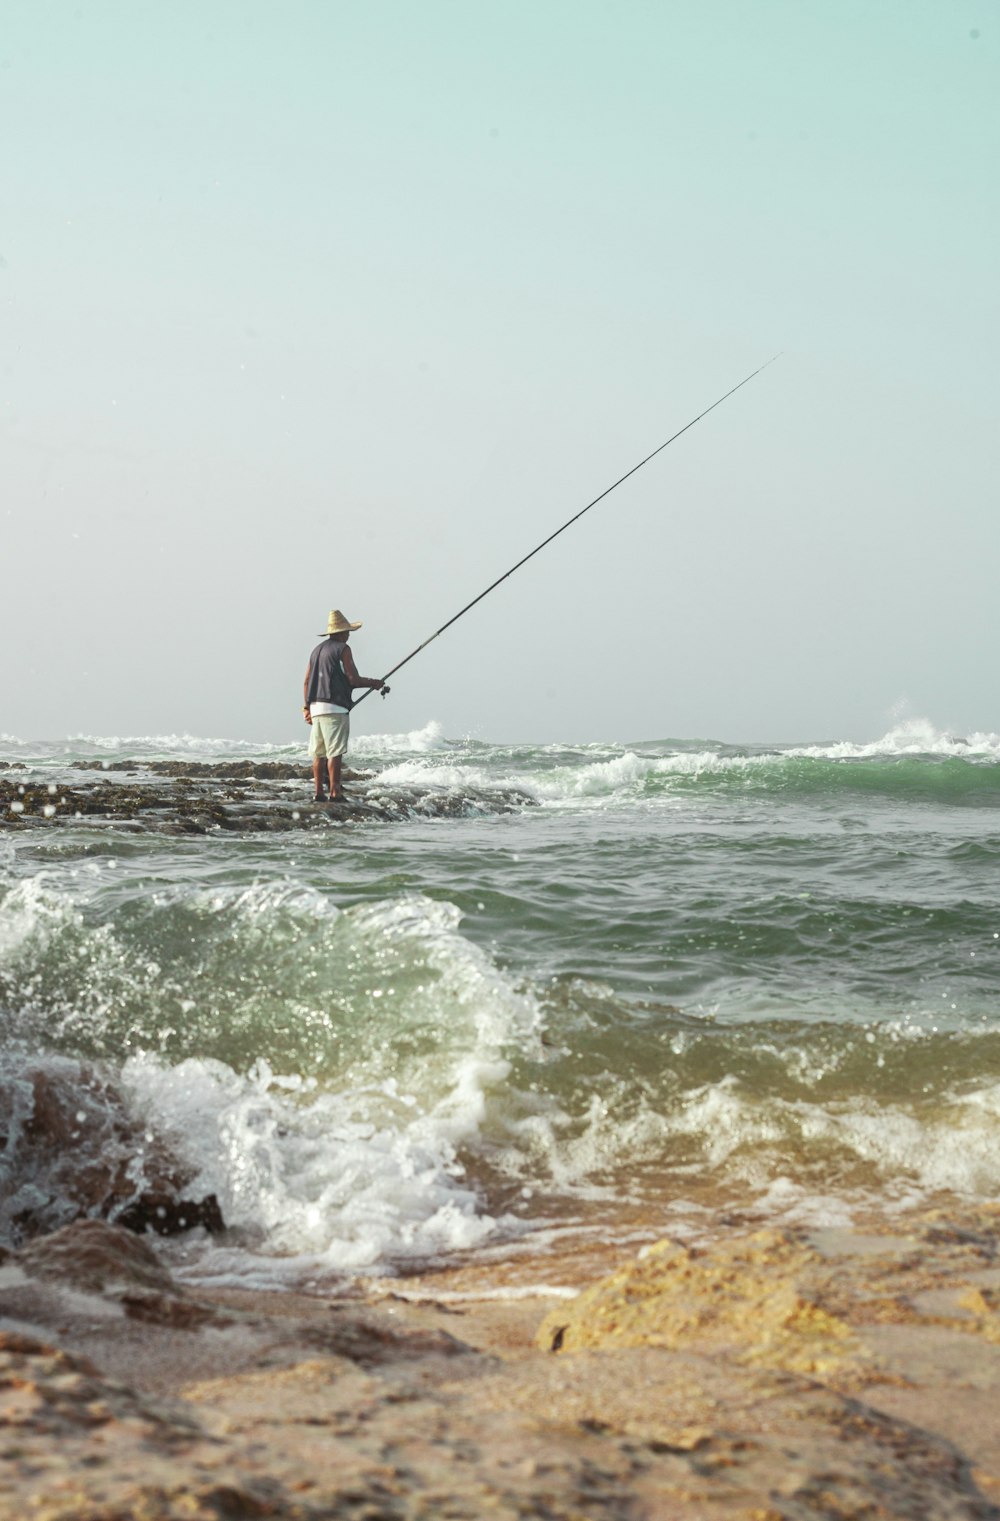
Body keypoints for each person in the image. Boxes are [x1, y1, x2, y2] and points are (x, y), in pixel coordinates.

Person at [303, 610, 389, 803]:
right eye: (348, 631)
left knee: (319, 753)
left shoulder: (316, 650)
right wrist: (375, 683)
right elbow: (353, 679)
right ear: (341, 633)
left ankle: (318, 793)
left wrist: (307, 708)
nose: (349, 635)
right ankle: (335, 793)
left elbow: (307, 680)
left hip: (316, 706)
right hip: (335, 707)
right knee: (335, 752)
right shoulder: (343, 649)